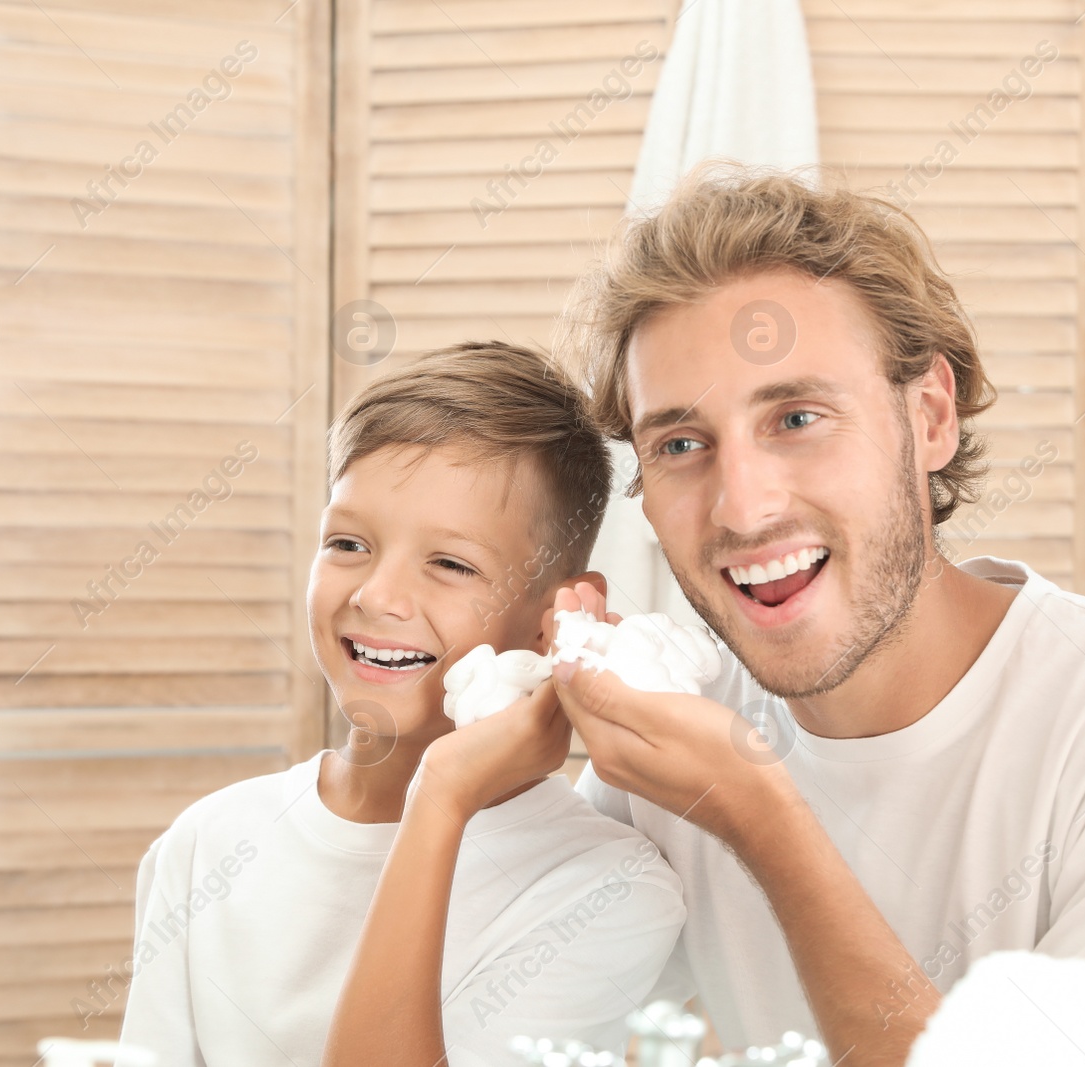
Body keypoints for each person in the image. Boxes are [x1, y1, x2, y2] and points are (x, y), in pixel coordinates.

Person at [552, 166, 1085, 1066]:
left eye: (797, 416)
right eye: (681, 445)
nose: (741, 506)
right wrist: (485, 778)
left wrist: (761, 817)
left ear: (929, 416)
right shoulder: (674, 735)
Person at [119, 342, 685, 1066]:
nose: (375, 595)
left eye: (450, 563)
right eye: (348, 542)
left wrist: (441, 798)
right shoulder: (206, 844)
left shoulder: (607, 889)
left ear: (557, 618)